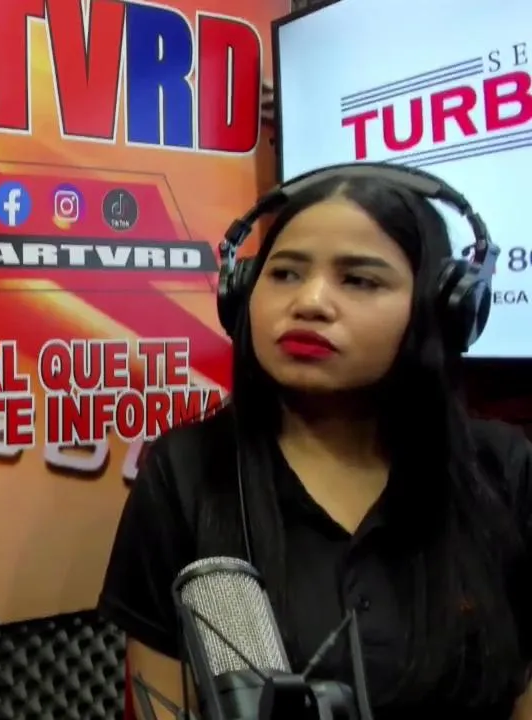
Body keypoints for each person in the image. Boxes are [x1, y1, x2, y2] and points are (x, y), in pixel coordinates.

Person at [99, 171, 532, 720]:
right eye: (285, 273)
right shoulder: (185, 474)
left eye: (359, 280)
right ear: (242, 294)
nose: (310, 302)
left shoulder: (503, 470)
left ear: (442, 309)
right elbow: (159, 703)